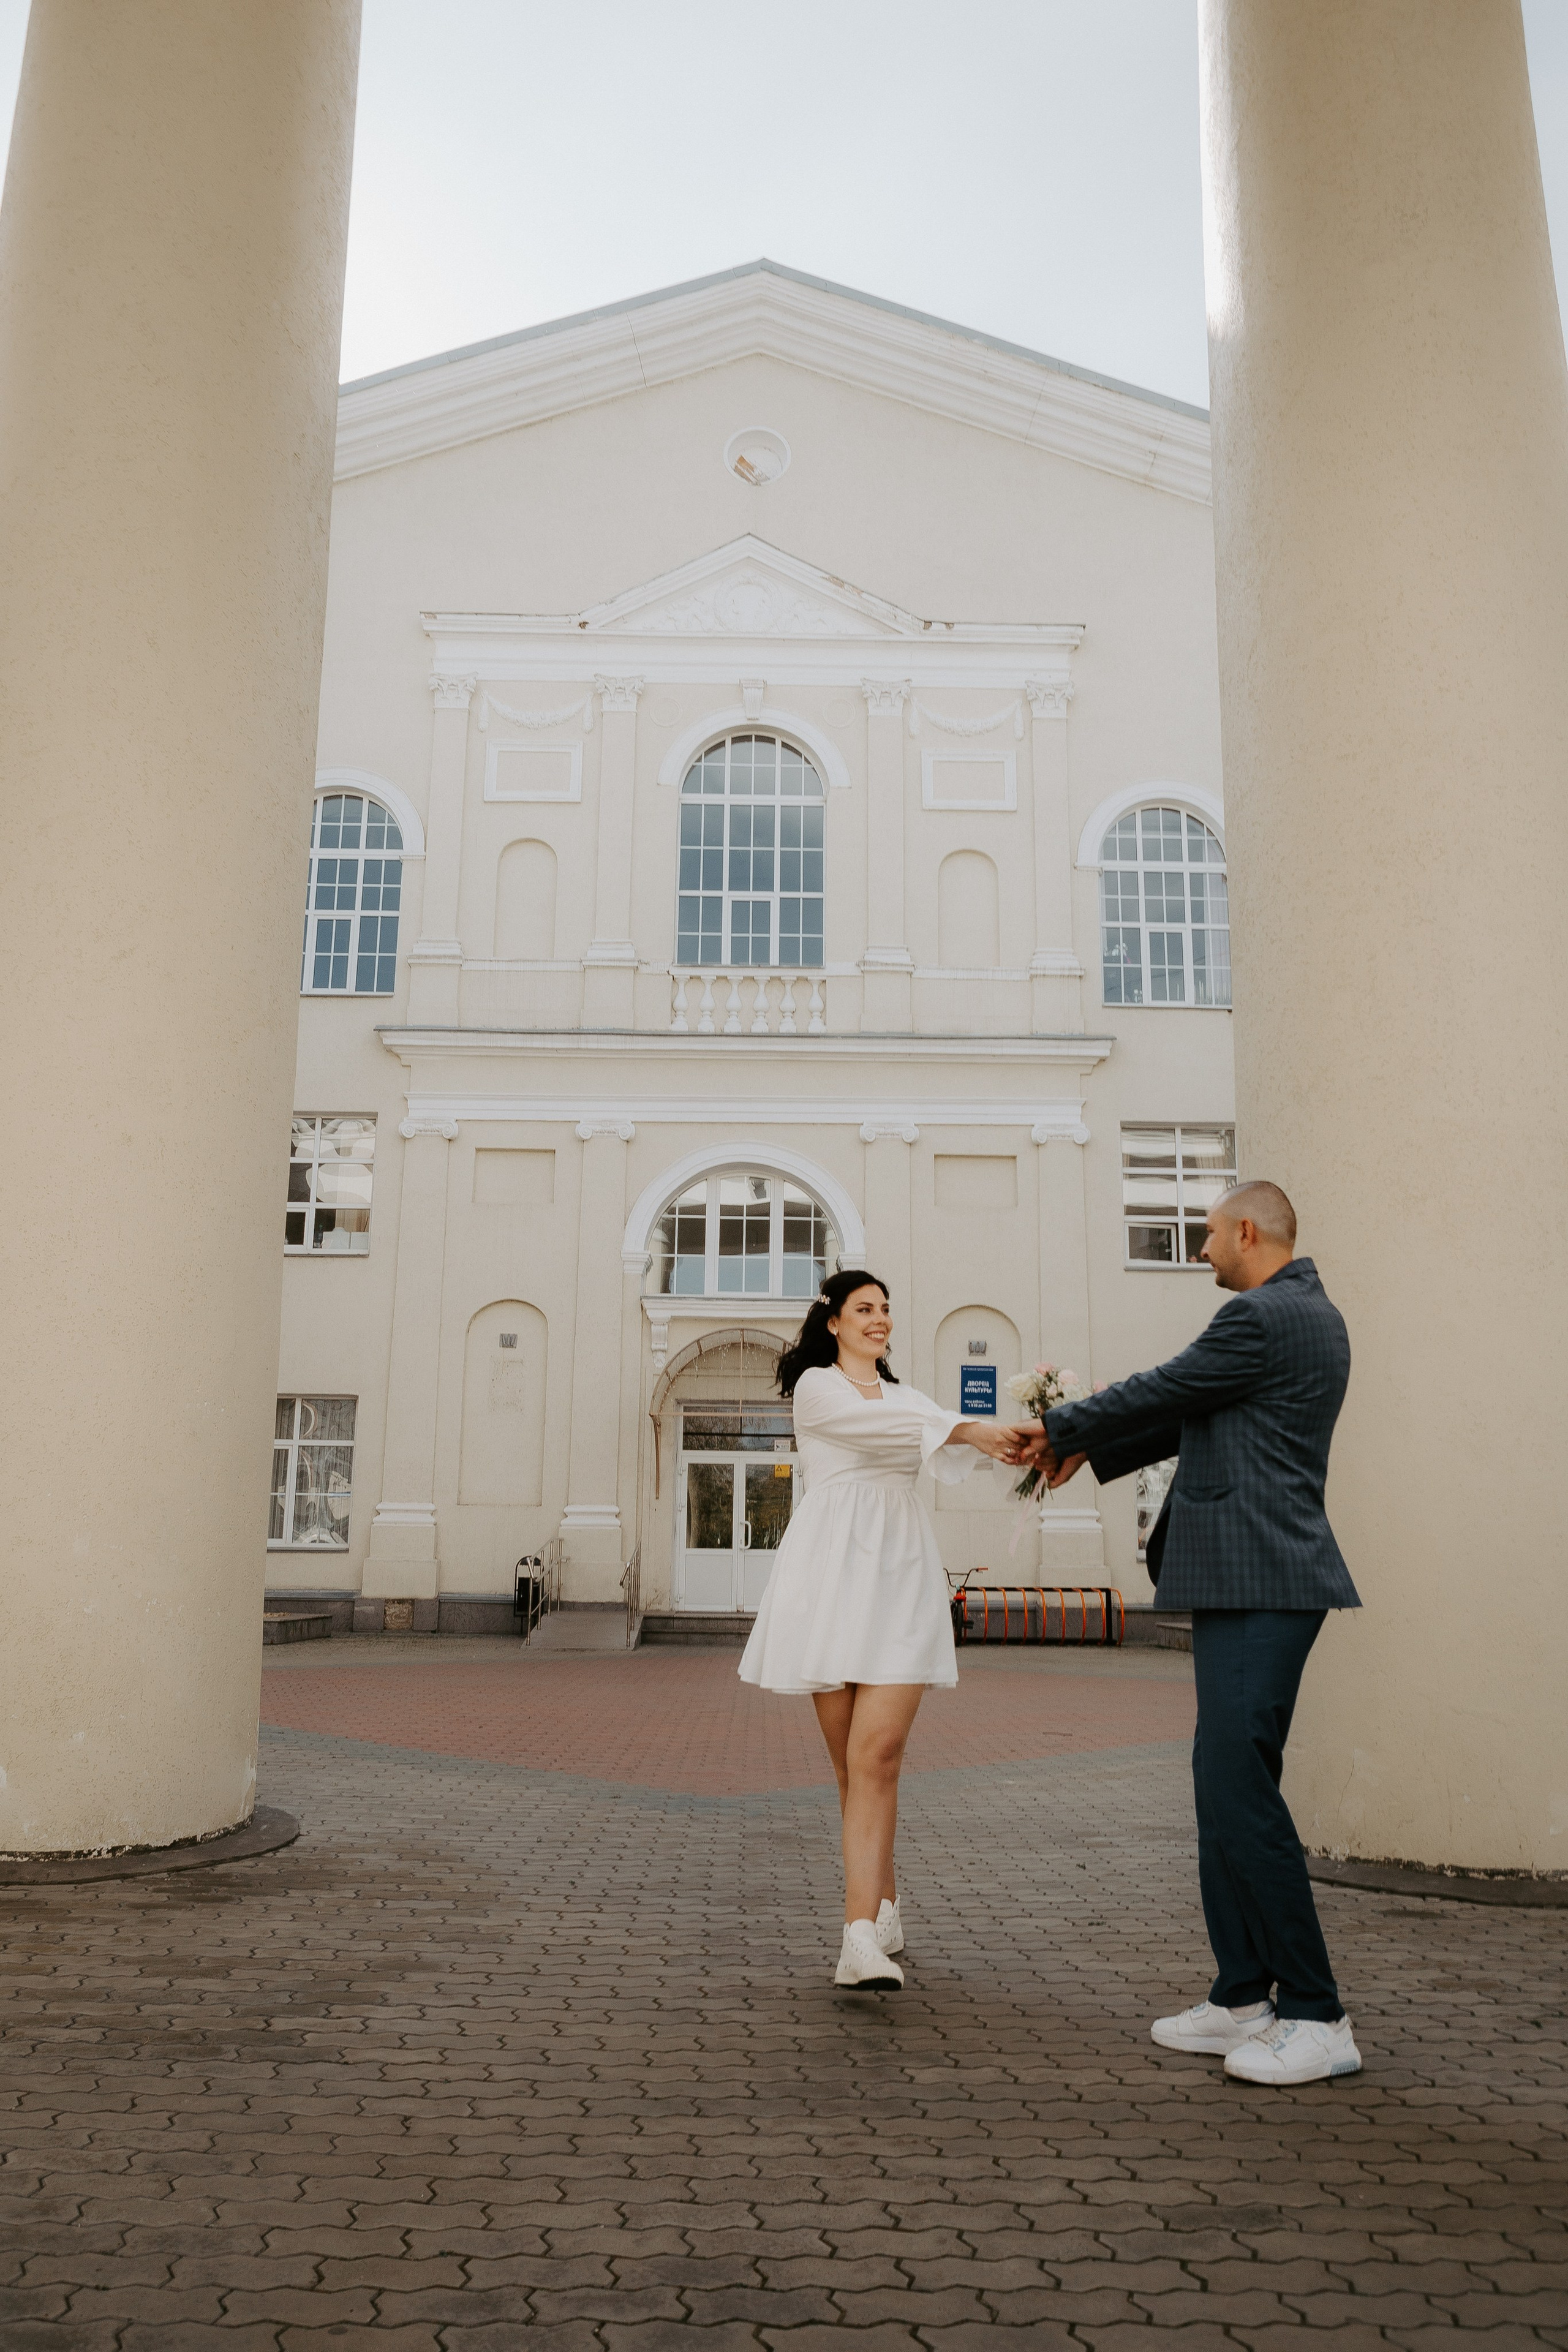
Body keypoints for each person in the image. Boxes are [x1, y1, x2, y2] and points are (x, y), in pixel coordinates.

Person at [1010, 1182, 1363, 2086]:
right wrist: (1095, 1446)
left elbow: (1169, 1383)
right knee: (1223, 1788)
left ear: (1247, 1231)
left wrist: (1056, 1426)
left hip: (1264, 1580)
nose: (1200, 1249)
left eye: (1206, 1234)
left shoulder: (1262, 1318)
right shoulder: (1295, 1314)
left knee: (1241, 1792)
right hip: (1253, 1578)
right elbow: (1193, 1411)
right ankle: (1244, 1997)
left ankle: (1319, 2014)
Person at [739, 1268, 1018, 1991]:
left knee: (879, 1755)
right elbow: (896, 1429)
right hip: (831, 1577)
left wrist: (1023, 1446)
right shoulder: (817, 1388)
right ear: (832, 1321)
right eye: (865, 1309)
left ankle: (857, 1938)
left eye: (887, 1309)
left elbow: (955, 1451)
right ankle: (884, 1906)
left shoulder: (909, 1398)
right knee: (852, 1769)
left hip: (897, 1575)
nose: (880, 1319)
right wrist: (967, 1428)